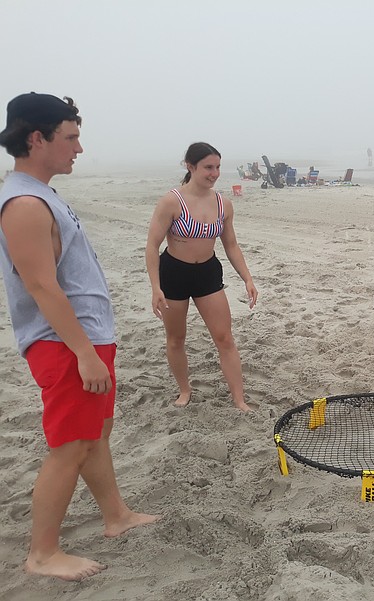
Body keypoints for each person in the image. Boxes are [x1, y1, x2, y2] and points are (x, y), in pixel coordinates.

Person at [0, 93, 159, 581]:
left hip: (85, 339)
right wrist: (85, 354)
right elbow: (41, 287)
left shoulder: (42, 193)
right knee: (70, 445)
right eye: (70, 137)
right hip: (65, 344)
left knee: (95, 434)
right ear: (36, 138)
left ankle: (116, 515)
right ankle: (43, 554)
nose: (79, 148)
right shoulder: (24, 203)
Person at [146, 142, 258, 412]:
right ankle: (184, 390)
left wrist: (247, 278)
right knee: (176, 338)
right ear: (191, 166)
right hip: (173, 273)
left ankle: (239, 399)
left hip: (207, 272)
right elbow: (152, 244)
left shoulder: (224, 204)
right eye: (208, 167)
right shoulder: (172, 201)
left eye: (218, 167)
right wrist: (155, 287)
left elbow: (231, 244)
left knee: (225, 338)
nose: (214, 173)